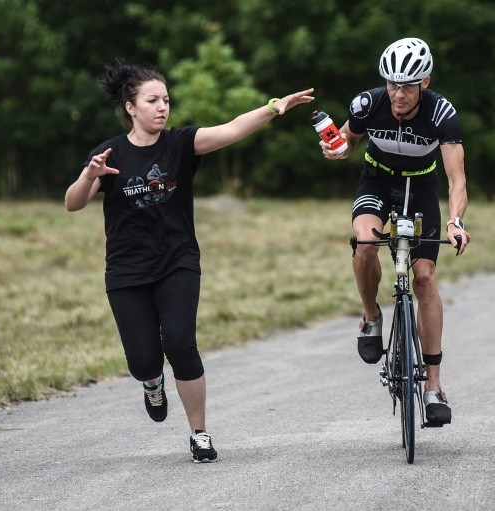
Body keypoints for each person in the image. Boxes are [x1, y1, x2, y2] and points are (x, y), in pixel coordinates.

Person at [65, 59, 314, 462]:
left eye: (166, 99)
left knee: (180, 343)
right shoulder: (107, 154)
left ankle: (199, 434)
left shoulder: (180, 143)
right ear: (131, 107)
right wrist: (90, 176)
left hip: (177, 261)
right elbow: (72, 204)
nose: (162, 107)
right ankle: (151, 382)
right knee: (144, 359)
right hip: (127, 270)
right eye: (152, 100)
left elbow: (230, 130)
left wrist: (273, 108)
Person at [320, 37, 470, 426]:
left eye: (406, 85)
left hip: (419, 189)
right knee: (366, 243)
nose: (397, 93)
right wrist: (338, 151)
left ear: (425, 82)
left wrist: (455, 221)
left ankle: (433, 385)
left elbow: (457, 180)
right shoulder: (369, 104)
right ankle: (371, 316)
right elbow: (348, 141)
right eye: (391, 83)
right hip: (377, 183)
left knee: (423, 279)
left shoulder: (441, 114)